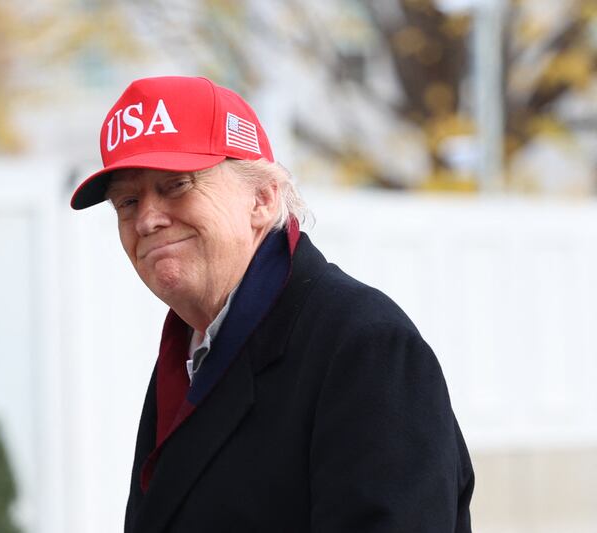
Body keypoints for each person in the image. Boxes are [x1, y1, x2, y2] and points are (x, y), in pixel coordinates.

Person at [70, 76, 474, 533]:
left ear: (262, 199)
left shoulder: (365, 346)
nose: (146, 219)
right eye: (127, 201)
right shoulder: (191, 351)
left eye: (177, 185)